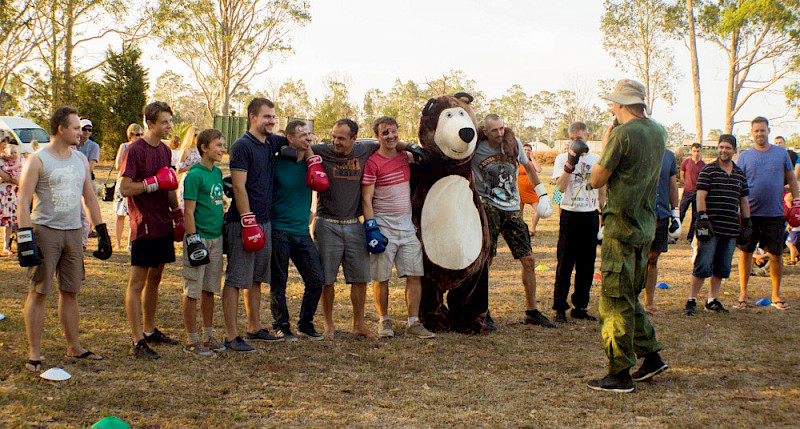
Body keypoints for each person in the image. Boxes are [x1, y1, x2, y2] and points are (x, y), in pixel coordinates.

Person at [16, 106, 112, 372]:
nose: (80, 133)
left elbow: (90, 197)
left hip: (73, 232)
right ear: (61, 129)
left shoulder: (79, 160)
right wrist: (25, 237)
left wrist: (101, 230)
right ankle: (34, 352)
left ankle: (74, 346)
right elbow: (23, 200)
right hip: (45, 230)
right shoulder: (38, 159)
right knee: (39, 290)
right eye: (75, 128)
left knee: (71, 290)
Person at [588, 79, 668, 392]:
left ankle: (619, 373)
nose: (609, 108)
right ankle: (651, 356)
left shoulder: (623, 133)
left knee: (613, 302)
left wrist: (608, 140)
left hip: (621, 226)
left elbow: (596, 179)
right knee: (628, 296)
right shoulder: (658, 131)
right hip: (645, 224)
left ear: (621, 104)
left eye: (612, 103)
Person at [471, 114, 555, 328]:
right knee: (485, 260)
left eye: (502, 128)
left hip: (513, 207)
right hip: (489, 205)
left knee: (529, 259)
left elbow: (528, 168)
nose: (500, 133)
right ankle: (483, 311)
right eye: (495, 130)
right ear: (486, 132)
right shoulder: (476, 148)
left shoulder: (514, 143)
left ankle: (532, 310)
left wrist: (543, 194)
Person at [119, 101, 184, 359]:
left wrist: (177, 214)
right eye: (164, 122)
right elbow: (125, 188)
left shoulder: (166, 151)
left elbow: (168, 187)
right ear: (150, 123)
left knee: (155, 280)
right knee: (137, 283)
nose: (169, 126)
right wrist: (151, 184)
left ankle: (148, 330)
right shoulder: (134, 150)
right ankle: (136, 340)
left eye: (170, 120)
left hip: (162, 222)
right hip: (142, 223)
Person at [222, 98, 287, 352]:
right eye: (266, 116)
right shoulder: (242, 146)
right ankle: (231, 335)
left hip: (265, 220)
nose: (271, 120)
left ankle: (254, 327)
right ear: (252, 117)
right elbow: (238, 185)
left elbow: (297, 139)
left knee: (257, 278)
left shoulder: (271, 142)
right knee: (236, 279)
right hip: (243, 222)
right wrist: (248, 221)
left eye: (273, 116)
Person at [362, 116, 435, 339]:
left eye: (393, 131)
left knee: (414, 275)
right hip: (383, 227)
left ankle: (414, 322)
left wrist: (408, 146)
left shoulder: (406, 157)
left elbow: (429, 157)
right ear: (377, 136)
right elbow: (367, 198)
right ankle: (384, 321)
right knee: (381, 277)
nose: (390, 136)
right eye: (385, 132)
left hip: (407, 227)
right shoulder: (372, 162)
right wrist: (371, 227)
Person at [311, 119, 381, 339]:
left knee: (360, 277)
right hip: (326, 224)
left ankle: (359, 324)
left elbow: (390, 143)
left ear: (354, 138)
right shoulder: (321, 151)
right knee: (327, 279)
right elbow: (297, 147)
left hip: (354, 224)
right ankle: (328, 324)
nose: (335, 142)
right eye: (333, 136)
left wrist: (409, 149)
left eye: (341, 138)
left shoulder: (365, 149)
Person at [269, 120, 328, 341]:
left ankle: (305, 323)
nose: (307, 137)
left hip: (302, 230)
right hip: (279, 229)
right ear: (290, 138)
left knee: (316, 279)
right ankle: (281, 325)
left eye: (309, 134)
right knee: (279, 281)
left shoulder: (312, 164)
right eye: (301, 134)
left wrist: (310, 150)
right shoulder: (277, 163)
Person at [735, 116, 799, 311]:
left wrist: (796, 201)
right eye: (756, 131)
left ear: (768, 131)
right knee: (746, 253)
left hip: (775, 213)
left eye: (762, 130)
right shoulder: (745, 156)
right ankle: (743, 295)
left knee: (776, 254)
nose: (759, 134)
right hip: (750, 213)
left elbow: (791, 179)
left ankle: (776, 295)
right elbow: (737, 182)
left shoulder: (781, 154)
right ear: (751, 133)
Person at [683, 135, 750, 315]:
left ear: (734, 150)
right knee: (703, 264)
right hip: (710, 227)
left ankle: (712, 299)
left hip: (730, 227)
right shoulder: (709, 170)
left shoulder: (739, 174)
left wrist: (747, 223)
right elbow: (700, 195)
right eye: (721, 147)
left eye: (727, 148)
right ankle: (692, 299)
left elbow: (743, 201)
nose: (723, 150)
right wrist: (702, 218)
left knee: (722, 266)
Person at [551, 121, 605, 323]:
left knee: (587, 264)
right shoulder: (560, 158)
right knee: (565, 263)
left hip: (590, 214)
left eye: (579, 139)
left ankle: (580, 306)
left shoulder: (596, 159)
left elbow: (601, 187)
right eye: (572, 140)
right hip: (570, 213)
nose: (576, 144)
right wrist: (569, 165)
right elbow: (559, 189)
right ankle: (559, 307)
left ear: (588, 137)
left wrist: (603, 210)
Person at [180, 128, 227, 356]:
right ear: (204, 147)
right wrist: (193, 240)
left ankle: (208, 335)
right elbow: (188, 212)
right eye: (218, 145)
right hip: (198, 239)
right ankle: (192, 338)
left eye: (223, 144)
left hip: (216, 238)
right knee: (192, 289)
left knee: (210, 288)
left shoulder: (217, 173)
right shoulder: (194, 175)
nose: (222, 149)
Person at [642, 148, 681, 315]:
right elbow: (558, 186)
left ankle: (648, 303)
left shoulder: (668, 156)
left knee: (652, 257)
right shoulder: (563, 161)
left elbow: (672, 184)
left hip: (661, 212)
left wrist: (675, 213)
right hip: (641, 213)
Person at [113, 124, 144, 250]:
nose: (140, 137)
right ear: (130, 135)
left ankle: (131, 243)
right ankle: (118, 242)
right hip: (123, 182)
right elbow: (118, 165)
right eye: (137, 134)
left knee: (134, 214)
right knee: (119, 214)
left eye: (142, 134)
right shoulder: (124, 146)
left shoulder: (143, 148)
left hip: (135, 183)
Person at [77, 118, 101, 247]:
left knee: (86, 213)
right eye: (84, 129)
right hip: (73, 181)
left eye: (89, 130)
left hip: (87, 181)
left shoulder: (93, 146)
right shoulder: (72, 145)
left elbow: (90, 166)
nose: (86, 132)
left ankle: (83, 241)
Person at [1, 131, 21, 256]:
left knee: (8, 221)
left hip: (9, 194)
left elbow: (15, 178)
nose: (4, 144)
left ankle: (6, 246)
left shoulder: (8, 159)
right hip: (3, 193)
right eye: (3, 141)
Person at [680, 143, 705, 242]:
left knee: (695, 216)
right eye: (694, 151)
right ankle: (674, 234)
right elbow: (682, 175)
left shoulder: (703, 166)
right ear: (691, 151)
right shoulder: (686, 162)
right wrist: (686, 184)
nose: (696, 153)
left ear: (700, 151)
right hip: (687, 192)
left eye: (698, 151)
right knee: (681, 213)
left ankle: (690, 237)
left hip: (697, 194)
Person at [518, 143, 543, 235]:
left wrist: (532, 158)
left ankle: (532, 229)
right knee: (519, 212)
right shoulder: (518, 162)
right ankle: (520, 229)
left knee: (538, 210)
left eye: (529, 150)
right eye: (525, 149)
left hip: (532, 191)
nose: (527, 151)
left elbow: (539, 170)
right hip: (520, 190)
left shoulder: (533, 162)